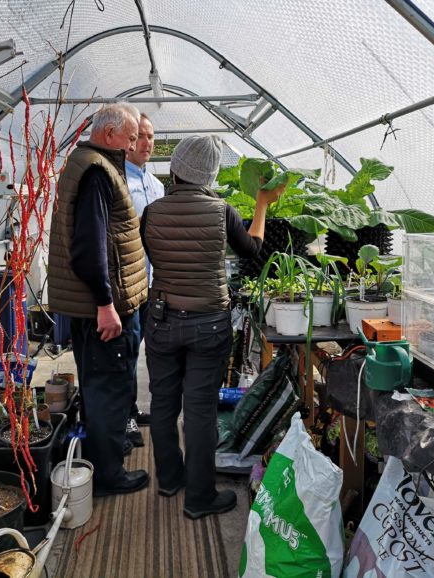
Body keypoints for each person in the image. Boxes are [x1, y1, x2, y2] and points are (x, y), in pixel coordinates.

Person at [140, 135, 284, 519]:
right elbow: (252, 249)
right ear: (210, 175)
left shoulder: (151, 213)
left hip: (162, 319)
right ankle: (200, 497)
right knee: (200, 410)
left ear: (176, 170)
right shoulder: (222, 212)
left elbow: (154, 256)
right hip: (208, 324)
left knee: (164, 402)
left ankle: (170, 480)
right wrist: (261, 205)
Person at [48, 102, 150, 497]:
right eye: (129, 136)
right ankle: (109, 476)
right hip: (104, 310)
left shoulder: (89, 163)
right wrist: (106, 304)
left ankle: (103, 457)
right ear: (109, 135)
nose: (133, 143)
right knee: (110, 389)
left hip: (95, 307)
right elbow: (91, 246)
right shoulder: (97, 172)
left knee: (100, 387)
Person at [124, 112, 165, 447]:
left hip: (152, 287)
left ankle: (136, 411)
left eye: (150, 136)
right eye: (141, 136)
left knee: (146, 353)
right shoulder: (118, 182)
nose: (147, 142)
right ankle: (125, 420)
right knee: (124, 356)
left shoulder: (157, 185)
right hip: (127, 286)